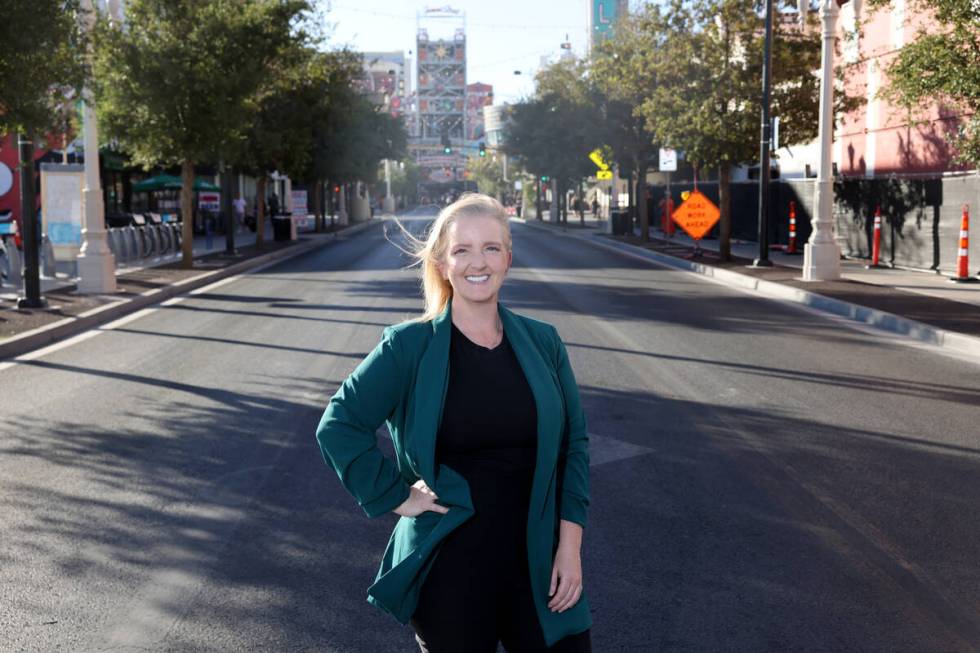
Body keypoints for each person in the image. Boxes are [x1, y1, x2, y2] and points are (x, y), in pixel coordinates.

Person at [315, 193, 592, 652]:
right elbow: (339, 423)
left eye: (490, 247)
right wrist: (397, 496)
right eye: (462, 250)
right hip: (451, 567)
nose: (476, 262)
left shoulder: (544, 342)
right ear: (442, 264)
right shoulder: (408, 346)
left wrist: (570, 548)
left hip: (539, 559)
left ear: (507, 257)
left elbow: (573, 448)